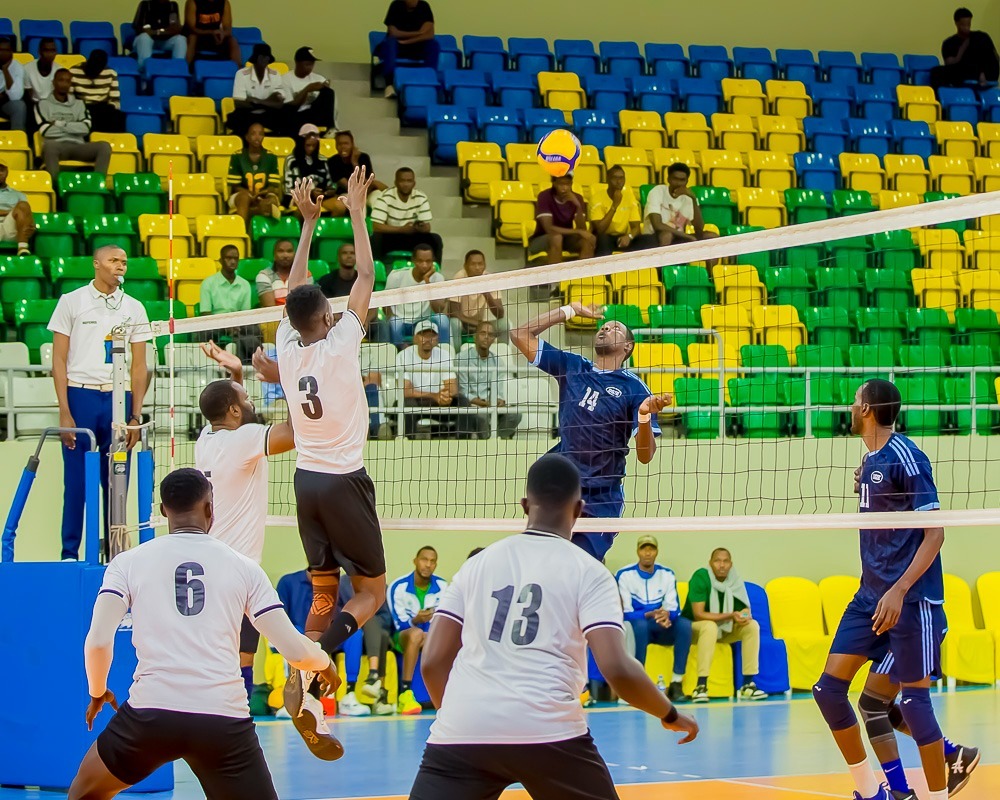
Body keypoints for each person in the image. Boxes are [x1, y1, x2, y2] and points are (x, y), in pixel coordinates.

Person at [407, 454, 698, 800]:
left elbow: (433, 661)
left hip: (462, 732)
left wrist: (463, 716)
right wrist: (669, 712)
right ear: (579, 510)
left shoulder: (476, 565)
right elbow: (617, 669)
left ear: (524, 505)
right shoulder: (590, 572)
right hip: (549, 730)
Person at [66, 469, 342, 800]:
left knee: (83, 793)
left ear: (163, 510)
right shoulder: (245, 568)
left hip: (151, 714)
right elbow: (294, 650)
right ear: (210, 508)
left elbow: (98, 641)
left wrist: (98, 691)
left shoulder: (127, 563)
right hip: (222, 720)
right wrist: (323, 662)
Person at [266, 171, 391, 755]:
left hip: (306, 482)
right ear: (325, 317)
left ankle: (308, 692)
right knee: (371, 594)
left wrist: (309, 222)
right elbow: (366, 276)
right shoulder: (341, 343)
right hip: (343, 482)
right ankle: (317, 656)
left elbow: (295, 289)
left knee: (323, 591)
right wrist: (357, 211)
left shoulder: (286, 346)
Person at [812, 379, 951, 800]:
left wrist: (899, 589)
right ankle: (874, 793)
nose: (850, 406)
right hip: (869, 598)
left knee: (912, 704)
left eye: (855, 401)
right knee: (828, 692)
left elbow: (935, 533)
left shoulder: (907, 456)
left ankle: (936, 791)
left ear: (868, 410)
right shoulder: (872, 459)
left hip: (910, 601)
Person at [510, 304, 668, 562]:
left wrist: (643, 416)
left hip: (601, 497)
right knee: (545, 562)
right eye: (603, 326)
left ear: (627, 346)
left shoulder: (635, 388)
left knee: (580, 564)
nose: (605, 328)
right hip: (563, 489)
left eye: (615, 328)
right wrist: (569, 310)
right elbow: (520, 334)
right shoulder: (573, 366)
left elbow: (645, 455)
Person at [195, 342, 297, 701]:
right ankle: (236, 715)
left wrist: (236, 373)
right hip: (237, 570)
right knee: (241, 657)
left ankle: (223, 711)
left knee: (229, 653)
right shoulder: (245, 441)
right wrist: (284, 377)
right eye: (247, 398)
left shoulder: (206, 438)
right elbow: (295, 430)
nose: (253, 402)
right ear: (236, 411)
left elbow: (233, 407)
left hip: (213, 563)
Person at [47, 246, 150, 562]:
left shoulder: (134, 307)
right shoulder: (72, 301)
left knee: (116, 481)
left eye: (124, 262)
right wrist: (64, 410)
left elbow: (139, 366)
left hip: (119, 399)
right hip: (81, 396)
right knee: (76, 481)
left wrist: (136, 415)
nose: (120, 266)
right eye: (113, 261)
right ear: (96, 264)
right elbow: (59, 360)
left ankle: (115, 554)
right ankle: (69, 553)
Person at [679, 548, 766, 703]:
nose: (722, 565)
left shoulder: (734, 579)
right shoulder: (701, 577)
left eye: (726, 561)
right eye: (717, 561)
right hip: (694, 630)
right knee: (709, 626)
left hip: (724, 629)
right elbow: (699, 614)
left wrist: (743, 617)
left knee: (752, 626)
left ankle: (747, 684)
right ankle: (701, 686)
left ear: (731, 564)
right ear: (710, 563)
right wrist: (731, 615)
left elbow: (745, 610)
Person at [615, 535, 692, 702]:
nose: (648, 553)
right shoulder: (625, 575)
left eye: (651, 549)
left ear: (657, 552)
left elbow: (674, 608)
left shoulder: (667, 574)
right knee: (640, 625)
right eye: (644, 549)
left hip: (660, 625)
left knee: (684, 625)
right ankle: (638, 683)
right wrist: (648, 614)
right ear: (638, 551)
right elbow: (625, 612)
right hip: (639, 626)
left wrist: (667, 616)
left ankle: (676, 683)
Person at [388, 545, 448, 715]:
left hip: (430, 636)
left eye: (432, 561)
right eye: (424, 560)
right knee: (416, 634)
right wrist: (415, 620)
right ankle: (405, 693)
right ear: (415, 561)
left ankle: (446, 693)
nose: (428, 565)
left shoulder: (443, 586)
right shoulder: (398, 587)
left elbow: (446, 620)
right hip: (403, 636)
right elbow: (398, 623)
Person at [398, 319, 477, 439]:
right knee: (408, 404)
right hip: (416, 401)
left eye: (431, 336)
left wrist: (445, 396)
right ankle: (408, 442)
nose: (428, 339)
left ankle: (463, 441)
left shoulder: (444, 355)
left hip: (438, 402)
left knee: (463, 401)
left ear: (437, 339)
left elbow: (452, 388)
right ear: (415, 338)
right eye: (423, 335)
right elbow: (405, 391)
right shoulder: (403, 356)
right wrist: (434, 395)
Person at [35, 69, 112, 180]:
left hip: (79, 146)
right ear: (53, 82)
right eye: (61, 80)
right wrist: (75, 126)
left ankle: (97, 183)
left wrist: (58, 123)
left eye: (67, 81)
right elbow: (45, 130)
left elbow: (85, 128)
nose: (64, 84)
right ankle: (56, 185)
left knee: (104, 146)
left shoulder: (79, 104)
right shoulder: (42, 104)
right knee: (49, 146)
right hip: (57, 146)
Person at [455, 320, 521, 440]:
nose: (486, 337)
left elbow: (499, 391)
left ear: (494, 339)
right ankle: (487, 442)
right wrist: (483, 404)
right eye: (483, 333)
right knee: (482, 416)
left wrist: (499, 400)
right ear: (475, 336)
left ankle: (495, 439)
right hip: (472, 405)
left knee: (515, 415)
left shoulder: (498, 362)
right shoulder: (461, 359)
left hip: (491, 405)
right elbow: (463, 392)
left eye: (490, 335)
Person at [633, 162, 717, 251]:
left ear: (687, 181)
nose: (678, 183)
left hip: (678, 239)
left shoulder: (688, 198)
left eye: (682, 180)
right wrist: (686, 236)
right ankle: (663, 260)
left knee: (712, 237)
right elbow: (657, 225)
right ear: (668, 179)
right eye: (675, 179)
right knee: (667, 235)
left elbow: (699, 229)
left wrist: (693, 199)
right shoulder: (657, 192)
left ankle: (707, 262)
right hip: (652, 238)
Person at [383, 244, 452, 348]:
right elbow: (386, 305)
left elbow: (438, 309)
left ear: (433, 261)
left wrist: (428, 283)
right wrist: (392, 317)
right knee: (394, 323)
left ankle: (444, 352)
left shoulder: (438, 278)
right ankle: (401, 352)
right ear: (413, 260)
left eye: (428, 261)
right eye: (420, 261)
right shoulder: (396, 276)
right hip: (402, 321)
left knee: (443, 319)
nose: (424, 265)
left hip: (425, 321)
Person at [370, 167, 443, 263]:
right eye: (402, 181)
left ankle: (433, 270)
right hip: (391, 236)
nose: (406, 184)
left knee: (436, 239)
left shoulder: (421, 197)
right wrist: (401, 229)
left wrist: (421, 228)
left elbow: (427, 227)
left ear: (414, 183)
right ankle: (375, 269)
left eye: (409, 181)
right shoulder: (385, 197)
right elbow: (376, 226)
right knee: (375, 239)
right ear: (396, 183)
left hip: (412, 235)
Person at [528, 174, 596, 266]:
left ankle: (582, 273)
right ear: (554, 184)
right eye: (561, 184)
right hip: (542, 239)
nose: (564, 188)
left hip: (566, 238)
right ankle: (555, 274)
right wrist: (578, 231)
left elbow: (582, 228)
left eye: (567, 184)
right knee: (557, 237)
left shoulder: (577, 198)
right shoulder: (544, 196)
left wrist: (578, 206)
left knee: (587, 240)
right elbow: (549, 228)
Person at [378, 0, 440, 98]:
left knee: (434, 45)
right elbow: (393, 33)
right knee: (390, 42)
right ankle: (389, 84)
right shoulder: (395, 5)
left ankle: (429, 80)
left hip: (416, 46)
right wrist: (419, 33)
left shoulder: (424, 6)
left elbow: (429, 35)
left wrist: (406, 41)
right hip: (397, 46)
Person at [447, 249, 507, 346]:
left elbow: (500, 314)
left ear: (485, 265)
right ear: (465, 266)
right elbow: (454, 313)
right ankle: (457, 353)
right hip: (463, 324)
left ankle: (503, 354)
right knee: (454, 323)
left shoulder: (490, 279)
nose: (477, 267)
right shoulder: (459, 278)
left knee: (504, 324)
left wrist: (486, 292)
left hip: (481, 325)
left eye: (480, 264)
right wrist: (478, 324)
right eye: (473, 264)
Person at [227, 43, 288, 139]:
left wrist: (256, 101)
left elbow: (279, 103)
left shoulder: (275, 75)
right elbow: (239, 103)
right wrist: (268, 102)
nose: (264, 59)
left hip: (268, 115)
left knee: (285, 117)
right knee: (236, 119)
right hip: (247, 114)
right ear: (255, 58)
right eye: (261, 57)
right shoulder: (241, 74)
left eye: (266, 57)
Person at [931, 7, 1000, 89]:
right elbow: (949, 63)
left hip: (988, 72)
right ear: (956, 23)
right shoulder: (949, 43)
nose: (967, 28)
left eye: (969, 24)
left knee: (980, 39)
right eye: (963, 25)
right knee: (936, 71)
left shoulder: (980, 36)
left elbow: (995, 57)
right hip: (965, 71)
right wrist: (963, 47)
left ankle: (981, 73)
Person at [228, 122, 282, 224]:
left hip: (264, 194)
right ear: (247, 137)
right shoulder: (237, 156)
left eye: (260, 134)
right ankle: (241, 230)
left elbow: (273, 186)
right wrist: (250, 195)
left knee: (271, 201)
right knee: (244, 198)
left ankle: (265, 230)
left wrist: (262, 193)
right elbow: (235, 186)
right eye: (253, 134)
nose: (257, 137)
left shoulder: (271, 157)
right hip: (241, 195)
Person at [284, 124, 344, 216]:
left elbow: (330, 184)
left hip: (320, 197)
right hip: (299, 198)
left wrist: (329, 191)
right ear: (301, 143)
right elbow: (289, 189)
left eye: (314, 145)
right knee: (306, 208)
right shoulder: (291, 160)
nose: (311, 148)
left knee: (340, 206)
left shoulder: (323, 160)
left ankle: (326, 225)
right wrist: (311, 193)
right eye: (308, 145)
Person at [281, 47, 337, 135]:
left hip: (314, 115)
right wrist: (307, 89)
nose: (310, 68)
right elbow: (289, 108)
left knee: (328, 92)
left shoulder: (319, 78)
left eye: (312, 64)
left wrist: (324, 89)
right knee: (286, 112)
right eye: (307, 64)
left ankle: (330, 128)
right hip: (295, 116)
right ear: (297, 62)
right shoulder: (285, 79)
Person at [589, 165, 642, 256]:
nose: (618, 182)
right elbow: (600, 229)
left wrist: (629, 237)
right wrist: (614, 206)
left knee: (648, 240)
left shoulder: (629, 197)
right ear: (608, 179)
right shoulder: (597, 198)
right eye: (615, 178)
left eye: (621, 178)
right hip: (604, 237)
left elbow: (636, 227)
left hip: (623, 237)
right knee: (603, 239)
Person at [69, 50, 125, 134]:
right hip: (81, 105)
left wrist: (111, 106)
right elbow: (69, 96)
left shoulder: (111, 73)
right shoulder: (74, 71)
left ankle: (111, 140)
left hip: (102, 106)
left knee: (118, 116)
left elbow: (115, 99)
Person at [327, 130, 387, 199]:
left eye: (346, 143)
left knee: (379, 194)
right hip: (347, 193)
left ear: (352, 145)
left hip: (367, 191)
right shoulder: (333, 161)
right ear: (336, 146)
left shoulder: (363, 157)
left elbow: (367, 182)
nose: (343, 147)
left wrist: (355, 163)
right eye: (339, 144)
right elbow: (347, 187)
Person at [132, 0, 187, 72]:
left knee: (181, 39)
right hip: (146, 41)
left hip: (165, 41)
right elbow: (139, 28)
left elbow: (175, 29)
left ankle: (177, 71)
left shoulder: (172, 6)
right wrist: (164, 31)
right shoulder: (145, 5)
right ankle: (145, 70)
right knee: (144, 38)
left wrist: (155, 32)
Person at [257, 239, 314, 307]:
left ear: (295, 254)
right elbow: (269, 307)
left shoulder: (305, 275)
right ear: (274, 254)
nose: (285, 255)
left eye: (289, 251)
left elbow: (306, 305)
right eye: (281, 251)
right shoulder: (264, 275)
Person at [184, 0, 241, 66]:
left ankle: (238, 69)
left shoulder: (224, 3)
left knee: (232, 40)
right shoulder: (193, 2)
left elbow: (228, 28)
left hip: (214, 37)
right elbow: (191, 28)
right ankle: (186, 68)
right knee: (192, 38)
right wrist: (211, 32)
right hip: (198, 35)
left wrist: (223, 34)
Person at [0, 161, 36, 256]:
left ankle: (22, 249)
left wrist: (30, 224)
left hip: (10, 227)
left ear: (7, 172)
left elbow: (25, 214)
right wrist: (11, 212)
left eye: (1, 170)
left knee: (23, 205)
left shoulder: (19, 195)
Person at [0, 37, 26, 132]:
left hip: (4, 104)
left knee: (19, 106)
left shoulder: (17, 67)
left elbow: (15, 97)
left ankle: (17, 138)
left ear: (12, 52)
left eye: (6, 50)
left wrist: (5, 70)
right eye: (0, 50)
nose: (3, 53)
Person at [23, 37, 58, 104]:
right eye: (46, 50)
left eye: (53, 51)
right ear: (39, 52)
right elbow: (28, 95)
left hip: (53, 105)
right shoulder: (27, 68)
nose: (50, 54)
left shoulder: (59, 70)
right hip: (33, 104)